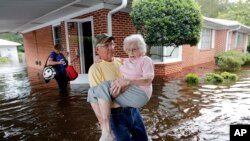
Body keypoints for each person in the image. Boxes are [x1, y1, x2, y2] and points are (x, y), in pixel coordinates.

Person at [88, 33, 153, 141]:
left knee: (143, 139)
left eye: (112, 44)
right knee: (95, 91)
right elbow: (98, 99)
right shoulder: (95, 69)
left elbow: (138, 61)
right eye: (106, 45)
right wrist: (119, 90)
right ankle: (106, 132)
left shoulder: (121, 61)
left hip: (133, 110)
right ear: (97, 49)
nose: (111, 48)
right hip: (116, 115)